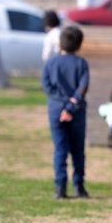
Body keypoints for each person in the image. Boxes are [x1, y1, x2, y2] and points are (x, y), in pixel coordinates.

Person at [42, 26, 90, 199]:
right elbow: (83, 87)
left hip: (55, 111)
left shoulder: (50, 63)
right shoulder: (81, 63)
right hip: (77, 112)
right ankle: (79, 186)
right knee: (78, 150)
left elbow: (46, 86)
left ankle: (60, 188)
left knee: (60, 150)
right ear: (79, 45)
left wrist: (62, 106)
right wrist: (71, 105)